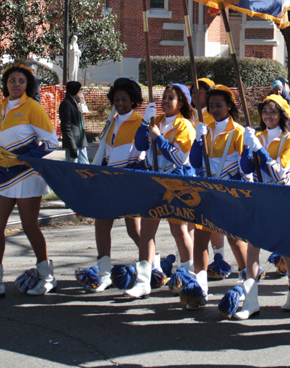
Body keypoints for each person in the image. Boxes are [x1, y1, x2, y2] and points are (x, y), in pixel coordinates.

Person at [0, 62, 59, 300]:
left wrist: (27, 158)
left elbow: (52, 142)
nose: (16, 85)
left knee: (29, 226)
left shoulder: (33, 107)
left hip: (27, 173)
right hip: (2, 172)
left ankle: (46, 277)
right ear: (6, 84)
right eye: (12, 80)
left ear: (28, 85)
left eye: (21, 81)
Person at [128, 84, 197, 298]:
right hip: (153, 182)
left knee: (179, 230)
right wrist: (143, 125)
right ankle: (143, 280)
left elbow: (178, 157)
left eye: (170, 98)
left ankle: (187, 273)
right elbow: (140, 146)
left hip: (175, 184)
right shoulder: (154, 120)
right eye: (163, 97)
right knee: (147, 232)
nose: (165, 101)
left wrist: (159, 138)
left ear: (182, 103)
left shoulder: (185, 125)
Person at [236, 94, 290, 319]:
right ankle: (251, 301)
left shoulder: (289, 139)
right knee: (253, 249)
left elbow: (280, 175)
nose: (268, 115)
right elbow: (245, 171)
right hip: (260, 201)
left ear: (282, 115)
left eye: (273, 111)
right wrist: (246, 148)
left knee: (287, 249)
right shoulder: (257, 136)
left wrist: (260, 150)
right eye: (265, 111)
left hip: (281, 201)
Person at [189, 85, 249, 309]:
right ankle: (200, 286)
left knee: (235, 238)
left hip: (229, 191)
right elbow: (195, 163)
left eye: (218, 105)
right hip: (206, 190)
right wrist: (198, 140)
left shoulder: (238, 132)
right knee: (201, 238)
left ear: (229, 106)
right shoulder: (205, 128)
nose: (214, 109)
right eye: (211, 105)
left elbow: (246, 168)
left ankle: (246, 280)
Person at [86, 77, 145, 291]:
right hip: (108, 181)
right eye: (116, 99)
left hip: (129, 183)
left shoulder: (140, 122)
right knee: (102, 224)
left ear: (133, 101)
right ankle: (104, 273)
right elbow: (105, 152)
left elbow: (141, 155)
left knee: (134, 230)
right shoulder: (112, 121)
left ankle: (151, 266)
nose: (119, 103)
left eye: (124, 99)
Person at [190, 78, 227, 261]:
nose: (195, 96)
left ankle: (220, 259)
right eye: (192, 92)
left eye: (200, 92)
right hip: (196, 172)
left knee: (222, 224)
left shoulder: (216, 119)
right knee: (199, 226)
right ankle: (194, 265)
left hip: (221, 177)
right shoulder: (191, 114)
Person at [58, 81, 89, 164]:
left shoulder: (76, 103)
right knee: (72, 169)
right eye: (80, 89)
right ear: (75, 90)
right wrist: (72, 147)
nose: (82, 91)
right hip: (73, 144)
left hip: (81, 142)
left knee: (86, 168)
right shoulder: (67, 104)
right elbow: (66, 127)